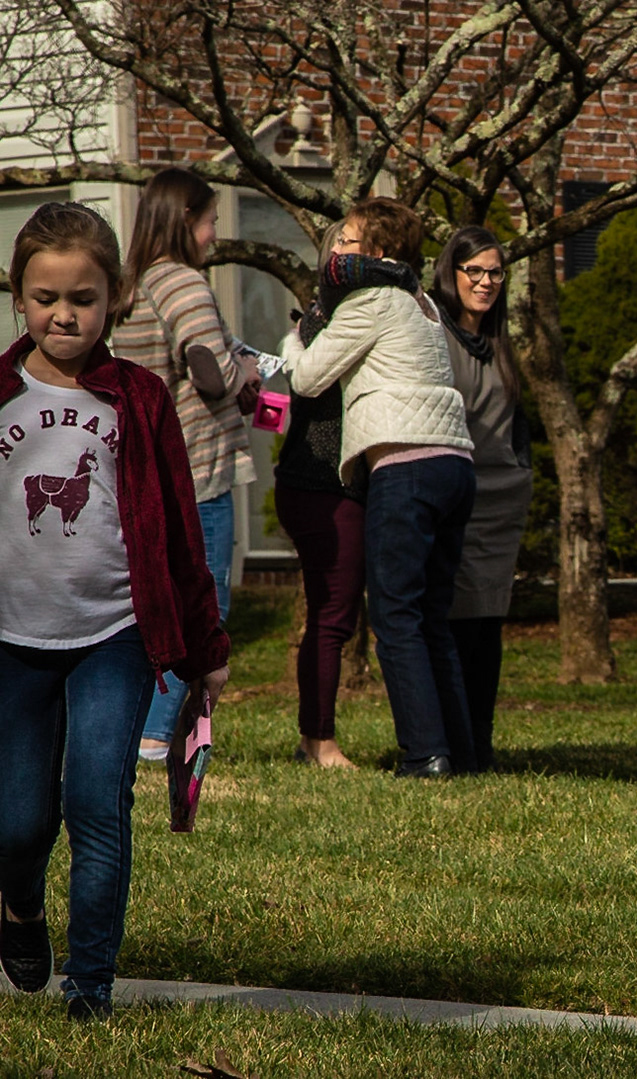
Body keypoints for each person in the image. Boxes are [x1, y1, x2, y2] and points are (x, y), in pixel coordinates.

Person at [0, 202, 230, 1021]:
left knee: (98, 802)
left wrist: (206, 644)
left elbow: (176, 522)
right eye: (44, 296)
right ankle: (21, 906)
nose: (64, 314)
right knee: (19, 822)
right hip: (12, 642)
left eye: (84, 298)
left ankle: (90, 987)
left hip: (116, 635)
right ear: (18, 296)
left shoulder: (140, 397)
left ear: (116, 297)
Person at [283, 198, 476, 778]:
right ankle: (459, 752)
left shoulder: (374, 298)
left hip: (405, 467)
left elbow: (310, 377)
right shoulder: (424, 304)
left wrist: (297, 338)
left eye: (349, 240)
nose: (337, 250)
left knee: (395, 617)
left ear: (381, 252)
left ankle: (425, 755)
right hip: (455, 466)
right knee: (432, 617)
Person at [113, 168, 259, 760]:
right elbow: (207, 371)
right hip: (198, 464)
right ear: (185, 221)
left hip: (149, 465)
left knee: (156, 599)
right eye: (210, 221)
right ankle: (156, 734)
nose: (214, 234)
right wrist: (244, 372)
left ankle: (144, 730)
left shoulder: (132, 284)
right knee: (204, 605)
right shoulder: (185, 284)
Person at [430, 227, 532, 772]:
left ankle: (481, 746)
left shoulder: (500, 341)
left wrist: (522, 472)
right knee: (448, 622)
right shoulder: (434, 334)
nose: (486, 282)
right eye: (476, 271)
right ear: (454, 273)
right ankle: (451, 744)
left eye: (495, 272)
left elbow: (516, 421)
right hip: (452, 492)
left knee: (485, 625)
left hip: (501, 500)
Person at [276, 221, 365, 769]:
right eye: (343, 241)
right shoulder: (326, 314)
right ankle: (319, 741)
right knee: (332, 614)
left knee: (337, 612)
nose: (352, 251)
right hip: (320, 483)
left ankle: (316, 736)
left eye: (363, 242)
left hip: (343, 482)